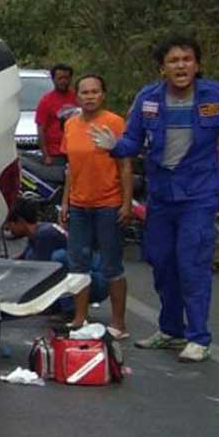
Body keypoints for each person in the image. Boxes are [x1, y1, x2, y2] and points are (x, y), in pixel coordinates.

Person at [91, 37, 219, 362]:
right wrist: (114, 146)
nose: (181, 66)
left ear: (197, 65)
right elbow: (132, 141)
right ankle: (170, 331)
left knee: (191, 263)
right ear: (162, 67)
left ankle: (198, 338)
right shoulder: (148, 99)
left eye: (187, 59)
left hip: (199, 194)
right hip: (161, 196)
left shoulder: (215, 96)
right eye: (174, 61)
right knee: (162, 262)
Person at [58, 75, 131, 337]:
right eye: (84, 92)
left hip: (108, 204)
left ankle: (118, 323)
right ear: (77, 96)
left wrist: (126, 203)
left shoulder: (114, 122)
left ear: (103, 95)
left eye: (95, 92)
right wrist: (64, 202)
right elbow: (70, 168)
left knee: (112, 265)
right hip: (78, 205)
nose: (89, 96)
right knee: (78, 263)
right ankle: (80, 318)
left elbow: (125, 165)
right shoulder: (70, 125)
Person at [5, 199, 107, 314]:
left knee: (58, 259)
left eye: (10, 225)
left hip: (98, 280)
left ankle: (70, 310)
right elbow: (22, 261)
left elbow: (36, 276)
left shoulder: (45, 235)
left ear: (20, 221)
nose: (9, 230)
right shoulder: (38, 232)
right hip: (90, 277)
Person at [35, 63, 78, 165]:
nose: (63, 81)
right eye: (60, 78)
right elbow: (41, 130)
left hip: (75, 151)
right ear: (53, 79)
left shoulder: (78, 98)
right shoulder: (46, 101)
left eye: (66, 78)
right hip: (55, 153)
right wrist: (46, 155)